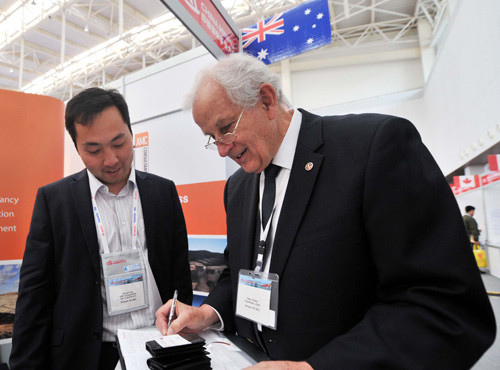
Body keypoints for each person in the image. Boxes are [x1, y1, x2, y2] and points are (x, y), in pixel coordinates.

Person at [155, 53, 495, 369]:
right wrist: (209, 312)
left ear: (266, 100)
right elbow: (240, 271)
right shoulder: (239, 187)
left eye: (225, 127)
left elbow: (444, 307)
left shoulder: (373, 148)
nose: (222, 150)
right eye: (211, 137)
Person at [10, 88, 192, 370]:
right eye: (94, 150)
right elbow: (35, 294)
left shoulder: (162, 192)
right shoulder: (54, 200)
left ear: (131, 133)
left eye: (119, 143)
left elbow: (178, 276)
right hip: (84, 354)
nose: (111, 160)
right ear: (77, 146)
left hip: (158, 348)